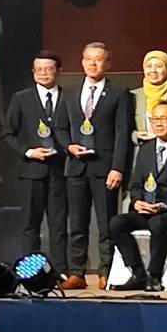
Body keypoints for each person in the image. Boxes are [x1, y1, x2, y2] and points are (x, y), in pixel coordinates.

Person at [59, 41, 133, 290]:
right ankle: (76, 272)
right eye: (88, 59)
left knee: (106, 224)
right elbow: (60, 127)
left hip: (105, 168)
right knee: (77, 224)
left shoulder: (119, 93)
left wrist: (118, 168)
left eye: (98, 59)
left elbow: (122, 133)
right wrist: (68, 146)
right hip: (76, 167)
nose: (93, 63)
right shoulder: (69, 92)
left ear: (107, 63)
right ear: (82, 62)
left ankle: (106, 271)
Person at [106, 101, 167, 291]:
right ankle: (137, 273)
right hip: (147, 209)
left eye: (164, 119)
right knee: (117, 223)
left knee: (157, 223)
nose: (158, 123)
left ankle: (154, 276)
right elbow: (136, 185)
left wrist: (166, 205)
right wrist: (137, 202)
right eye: (154, 119)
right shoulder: (145, 149)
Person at [2, 51, 69, 279]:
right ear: (33, 72)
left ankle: (60, 272)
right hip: (31, 171)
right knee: (30, 224)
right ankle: (30, 274)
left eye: (48, 69)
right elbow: (8, 134)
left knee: (59, 224)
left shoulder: (69, 97)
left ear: (58, 71)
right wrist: (29, 152)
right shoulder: (21, 98)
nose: (43, 73)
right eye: (38, 70)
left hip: (60, 170)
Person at [130, 49, 167, 141]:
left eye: (159, 66)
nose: (153, 70)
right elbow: (121, 128)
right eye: (149, 66)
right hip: (141, 148)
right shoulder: (132, 96)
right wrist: (135, 135)